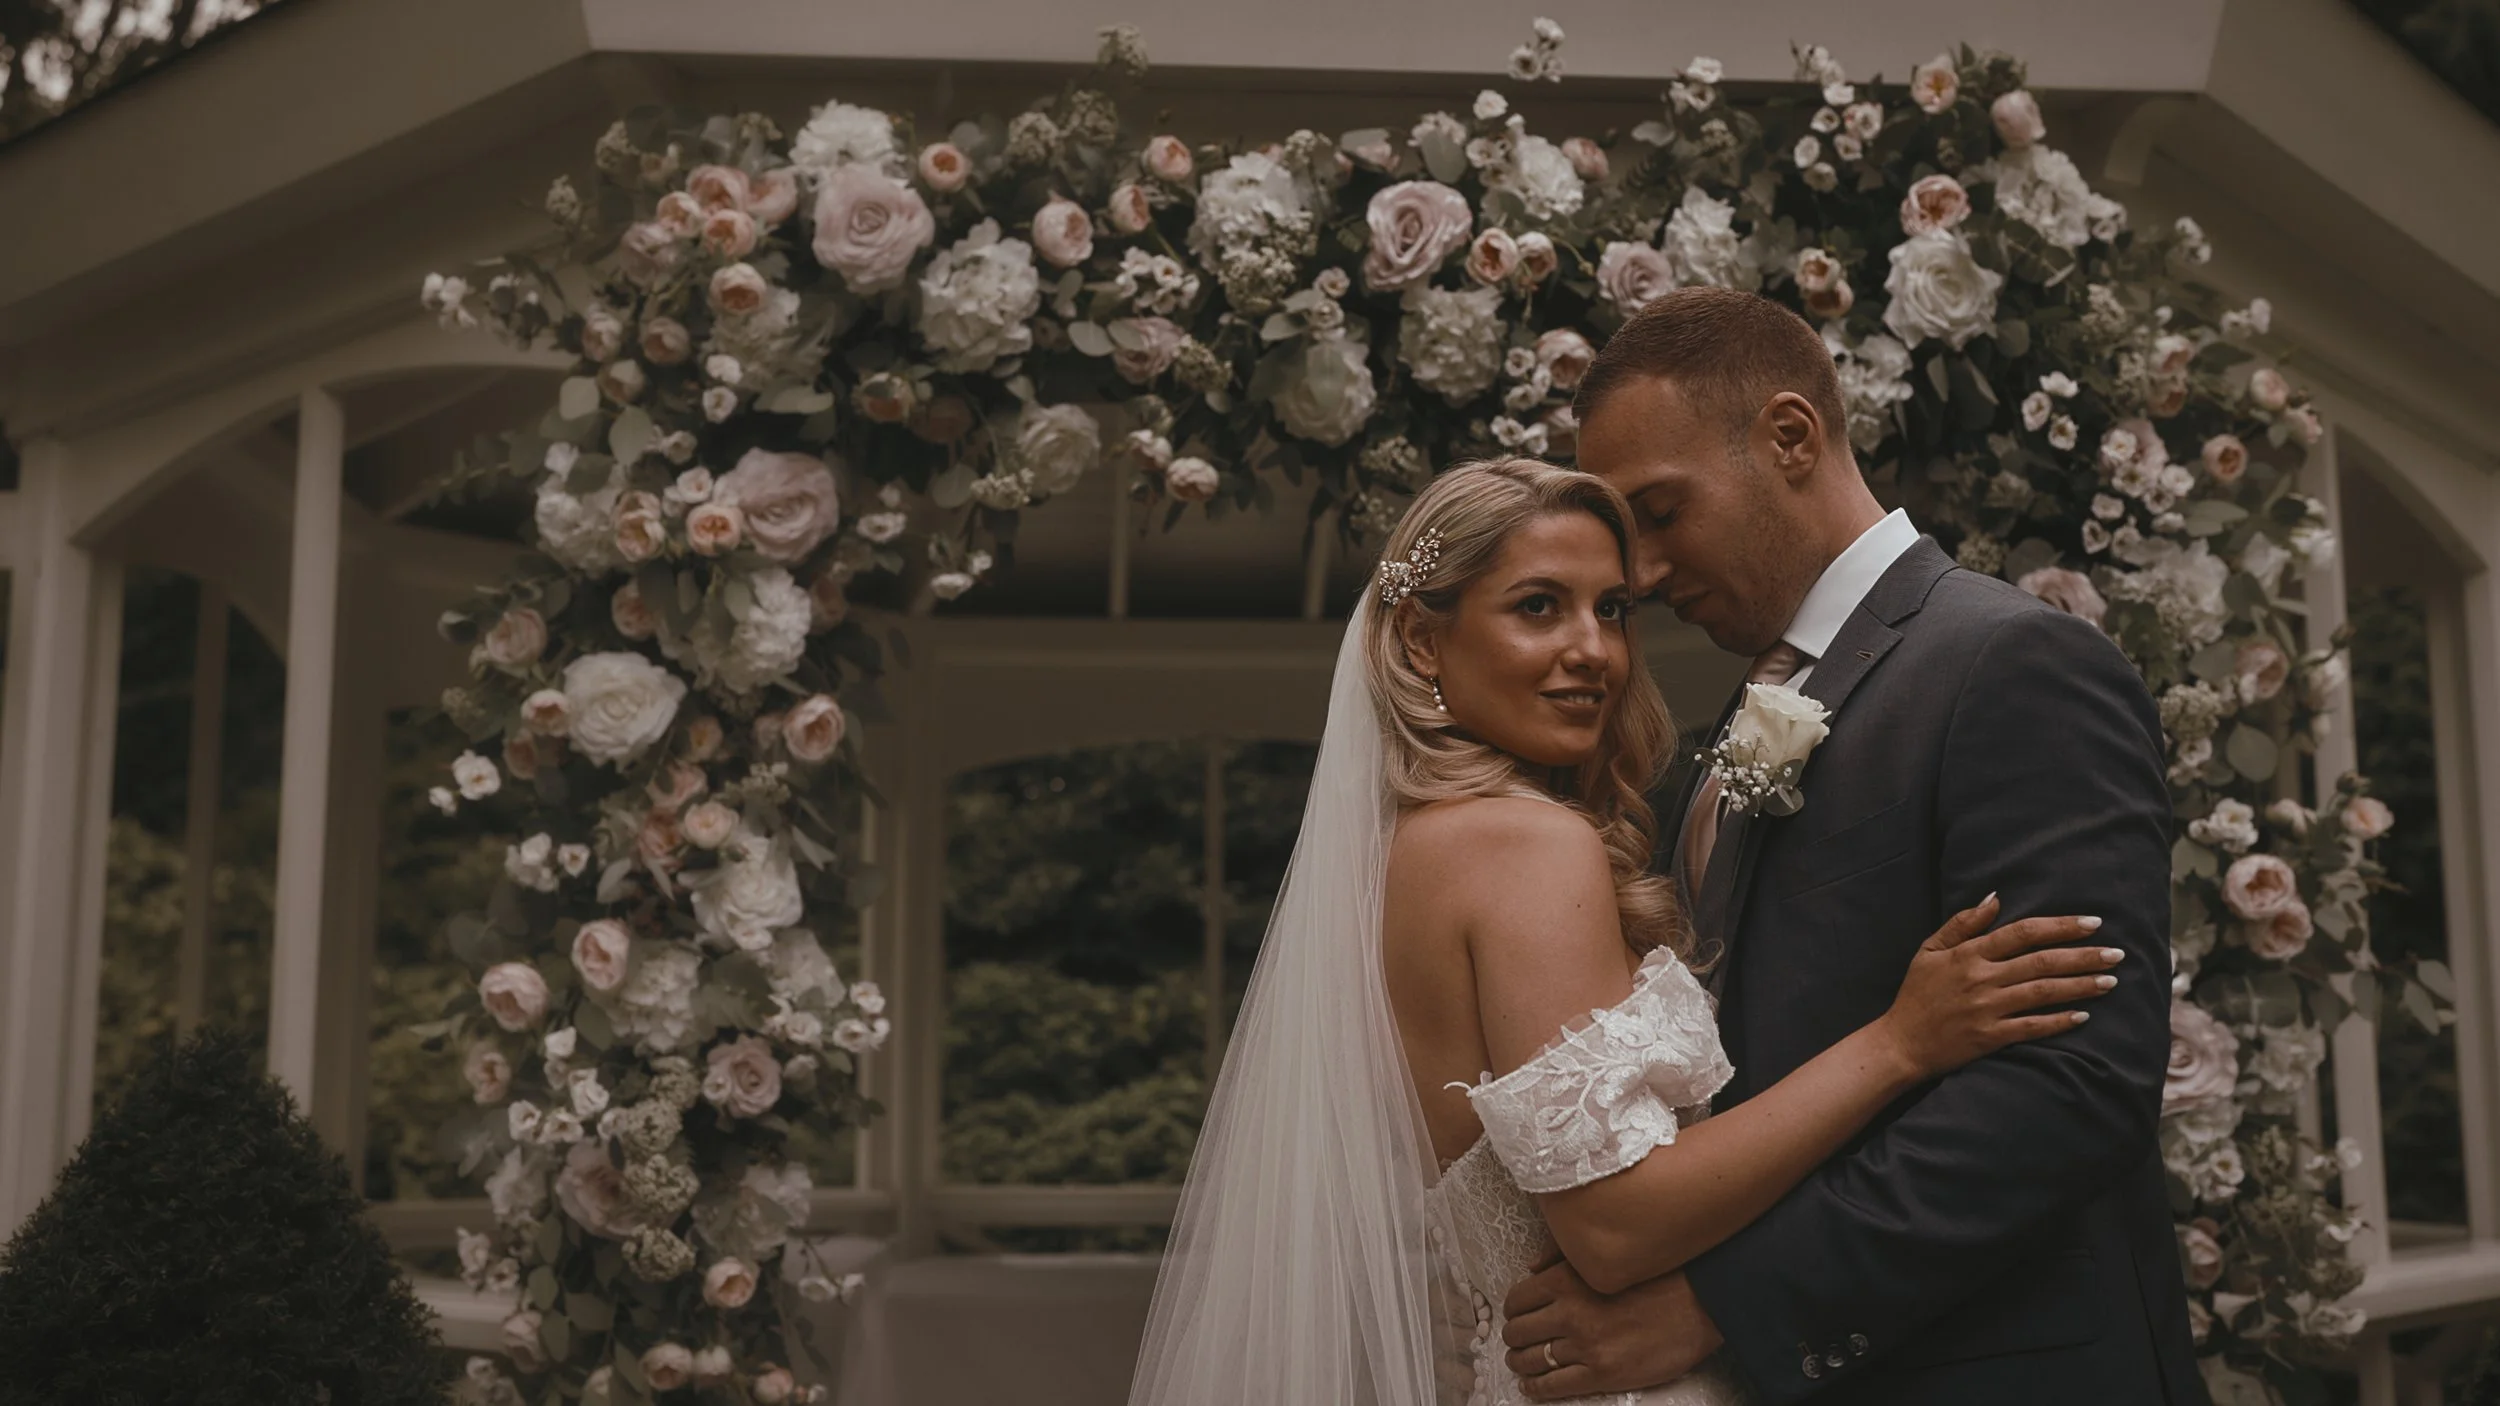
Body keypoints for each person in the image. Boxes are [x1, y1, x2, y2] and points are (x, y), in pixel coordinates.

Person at [1126, 456, 2131, 1406]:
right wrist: (1899, 1042)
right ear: (1422, 641)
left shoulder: (1411, 849)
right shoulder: (1523, 844)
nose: (1593, 650)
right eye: (1538, 606)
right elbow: (1613, 1225)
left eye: (1611, 609)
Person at [1496, 286, 2203, 1404]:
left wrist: (1719, 1305)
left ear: (1790, 437)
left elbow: (2070, 1085)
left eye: (1662, 513)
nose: (1642, 575)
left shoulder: (2015, 663)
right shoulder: (1738, 720)